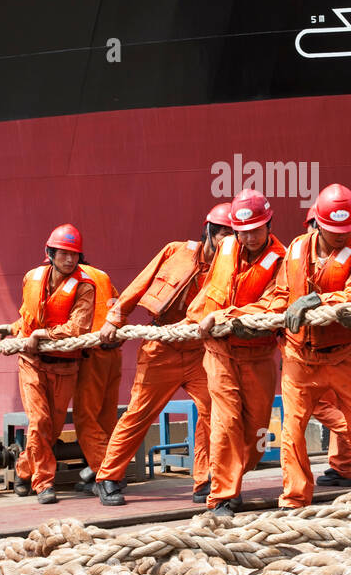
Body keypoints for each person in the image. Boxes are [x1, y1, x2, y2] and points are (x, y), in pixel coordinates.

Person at [239, 184, 351, 508]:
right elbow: (281, 294)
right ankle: (294, 499)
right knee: (292, 431)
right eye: (334, 230)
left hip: (344, 355)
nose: (341, 236)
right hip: (298, 357)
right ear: (319, 223)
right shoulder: (297, 249)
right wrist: (244, 316)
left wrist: (317, 299)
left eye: (347, 229)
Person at [95, 204, 234, 507]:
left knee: (212, 410)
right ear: (209, 230)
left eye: (232, 234)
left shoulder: (232, 266)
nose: (226, 239)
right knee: (138, 413)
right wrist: (114, 318)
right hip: (161, 346)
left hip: (200, 349)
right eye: (222, 232)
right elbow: (141, 283)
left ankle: (205, 480)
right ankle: (108, 477)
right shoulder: (175, 251)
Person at [187, 189, 286, 516]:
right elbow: (211, 289)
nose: (248, 238)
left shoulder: (282, 258)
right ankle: (223, 496)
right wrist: (197, 316)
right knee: (226, 421)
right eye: (242, 231)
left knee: (257, 431)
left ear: (269, 224)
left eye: (255, 230)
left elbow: (275, 304)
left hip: (257, 355)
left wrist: (226, 316)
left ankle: (230, 472)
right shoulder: (226, 246)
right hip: (219, 352)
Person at [11, 224, 95, 504]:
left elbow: (79, 328)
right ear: (50, 252)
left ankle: (23, 471)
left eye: (74, 254)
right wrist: (16, 332)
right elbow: (27, 315)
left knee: (50, 429)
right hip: (32, 362)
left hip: (65, 366)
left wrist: (41, 334)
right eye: (63, 253)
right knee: (39, 421)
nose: (69, 260)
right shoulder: (31, 278)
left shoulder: (84, 287)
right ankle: (43, 483)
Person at [302, 203, 351, 488]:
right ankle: (342, 466)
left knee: (321, 404)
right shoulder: (303, 255)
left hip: (338, 343)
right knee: (336, 403)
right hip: (313, 341)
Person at [73, 262, 121, 492]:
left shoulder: (74, 280)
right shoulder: (103, 276)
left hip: (91, 354)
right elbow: (119, 309)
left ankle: (107, 472)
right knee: (106, 418)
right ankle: (103, 469)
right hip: (113, 352)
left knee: (86, 418)